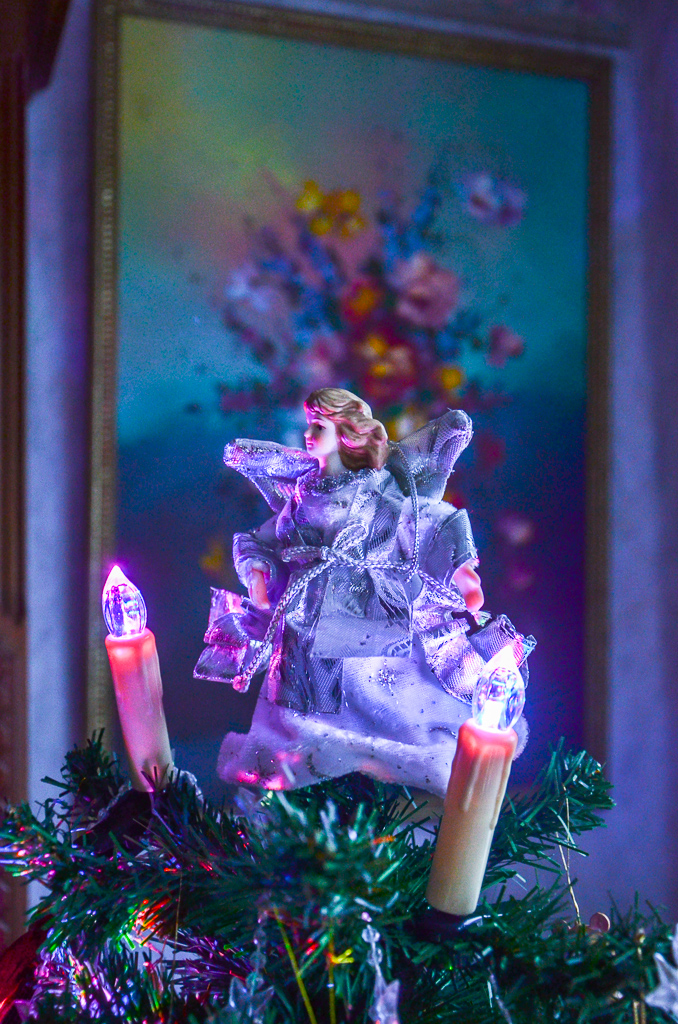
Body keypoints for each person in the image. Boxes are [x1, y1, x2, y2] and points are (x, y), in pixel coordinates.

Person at [195, 387, 534, 797]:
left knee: (377, 690)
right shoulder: (302, 491)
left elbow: (426, 522)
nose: (308, 435)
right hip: (306, 614)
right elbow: (265, 537)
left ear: (346, 433)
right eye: (310, 425)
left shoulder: (378, 490)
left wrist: (462, 571)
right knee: (301, 697)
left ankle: (386, 763)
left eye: (318, 427)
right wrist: (257, 570)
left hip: (366, 609)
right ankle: (301, 763)